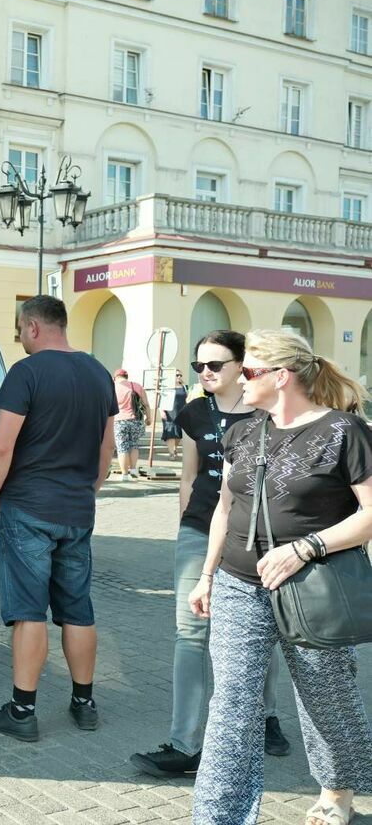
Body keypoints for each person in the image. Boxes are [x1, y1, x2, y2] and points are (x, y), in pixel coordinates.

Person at [189, 330, 372, 825]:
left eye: (248, 371)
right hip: (237, 584)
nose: (238, 380)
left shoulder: (343, 431)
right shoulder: (244, 430)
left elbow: (371, 514)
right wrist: (206, 576)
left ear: (280, 376)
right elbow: (226, 507)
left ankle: (337, 795)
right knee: (232, 703)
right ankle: (219, 816)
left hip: (314, 586)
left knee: (324, 695)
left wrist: (306, 547)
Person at [130, 330, 290, 779]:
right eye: (200, 365)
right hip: (200, 529)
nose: (205, 373)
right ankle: (183, 743)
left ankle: (266, 717)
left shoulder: (267, 411)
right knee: (190, 635)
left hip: (257, 538)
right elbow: (189, 475)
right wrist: (186, 525)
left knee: (259, 631)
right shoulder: (195, 411)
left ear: (242, 365)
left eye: (215, 365)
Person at [0, 296, 117, 742]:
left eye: (20, 330)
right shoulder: (98, 372)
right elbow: (106, 453)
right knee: (78, 610)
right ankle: (84, 703)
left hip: (28, 508)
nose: (19, 339)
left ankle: (22, 711)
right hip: (77, 509)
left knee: (29, 612)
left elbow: (1, 447)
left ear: (34, 327)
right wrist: (85, 492)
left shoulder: (27, 373)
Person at [113, 369, 153, 480]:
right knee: (134, 445)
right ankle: (133, 469)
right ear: (126, 376)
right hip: (136, 420)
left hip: (119, 420)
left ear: (115, 377)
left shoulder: (113, 387)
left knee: (122, 448)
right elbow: (146, 404)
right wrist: (149, 418)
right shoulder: (136, 386)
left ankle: (125, 475)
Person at [161, 371, 187, 459]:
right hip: (169, 413)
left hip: (181, 412)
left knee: (179, 433)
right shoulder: (167, 387)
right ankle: (171, 453)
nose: (179, 376)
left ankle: (175, 448)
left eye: (180, 375)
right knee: (171, 432)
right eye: (177, 375)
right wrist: (162, 411)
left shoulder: (184, 387)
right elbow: (162, 399)